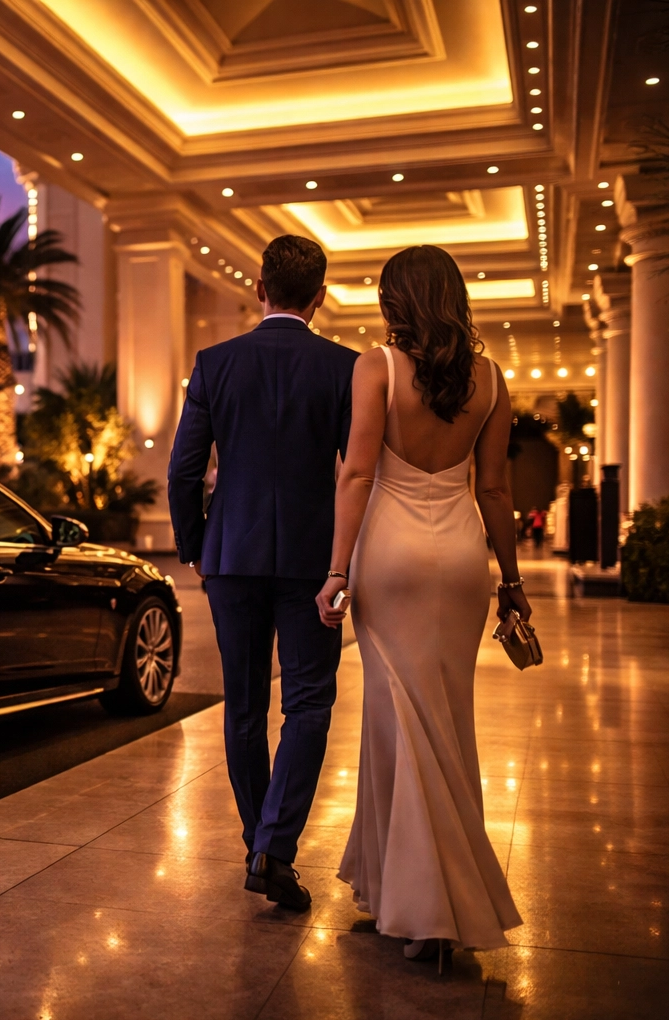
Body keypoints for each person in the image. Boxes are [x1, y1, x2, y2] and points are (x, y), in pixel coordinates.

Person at [315, 244, 526, 966]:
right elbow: (495, 489)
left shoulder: (375, 366)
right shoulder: (492, 378)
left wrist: (336, 570)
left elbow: (358, 475)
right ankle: (394, 888)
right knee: (445, 721)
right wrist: (515, 582)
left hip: (392, 558)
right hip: (464, 559)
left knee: (394, 723)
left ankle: (420, 911)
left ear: (395, 300)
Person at [168, 234, 358, 911]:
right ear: (320, 297)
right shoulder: (344, 367)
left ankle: (260, 841)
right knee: (308, 703)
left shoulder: (215, 363)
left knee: (243, 705)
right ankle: (273, 848)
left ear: (259, 288)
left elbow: (184, 469)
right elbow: (356, 473)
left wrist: (195, 545)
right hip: (312, 562)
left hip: (231, 557)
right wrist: (348, 559)